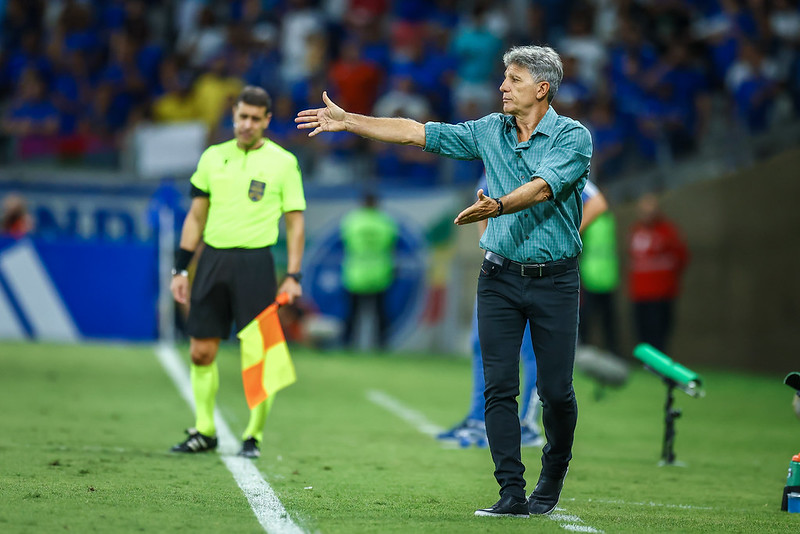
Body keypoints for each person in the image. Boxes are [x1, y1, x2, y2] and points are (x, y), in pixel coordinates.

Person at [297, 45, 591, 518]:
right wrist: (351, 120)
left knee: (555, 392)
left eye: (513, 79)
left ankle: (553, 474)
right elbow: (416, 132)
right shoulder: (488, 131)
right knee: (498, 387)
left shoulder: (573, 138)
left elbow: (541, 188)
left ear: (541, 88)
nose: (502, 87)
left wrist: (495, 206)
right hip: (499, 277)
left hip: (556, 281)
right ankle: (511, 492)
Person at [170, 86, 306, 459]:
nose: (246, 125)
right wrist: (180, 269)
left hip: (255, 264)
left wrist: (293, 275)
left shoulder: (283, 163)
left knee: (257, 354)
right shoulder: (212, 158)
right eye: (241, 117)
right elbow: (196, 216)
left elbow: (295, 225)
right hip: (212, 260)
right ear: (233, 117)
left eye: (254, 119)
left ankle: (253, 435)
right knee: (200, 351)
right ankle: (205, 430)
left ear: (266, 120)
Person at [439, 176, 608, 449]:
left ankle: (527, 425)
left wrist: (566, 233)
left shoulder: (543, 162)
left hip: (535, 272)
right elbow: (483, 209)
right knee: (481, 343)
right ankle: (478, 420)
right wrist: (488, 247)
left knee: (532, 353)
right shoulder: (493, 160)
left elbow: (597, 202)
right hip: (499, 272)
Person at [627, 193, 689, 354]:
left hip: (662, 293)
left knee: (660, 332)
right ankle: (646, 362)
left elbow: (681, 257)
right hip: (640, 293)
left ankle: (660, 365)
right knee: (643, 331)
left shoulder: (668, 231)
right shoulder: (635, 231)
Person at [340, 192, 398, 350]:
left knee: (352, 314)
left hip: (355, 274)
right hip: (380, 274)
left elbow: (346, 243)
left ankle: (348, 345)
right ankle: (381, 346)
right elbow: (392, 246)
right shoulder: (385, 222)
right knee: (380, 315)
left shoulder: (352, 221)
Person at [578, 180, 620, 356]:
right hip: (594, 275)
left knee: (606, 320)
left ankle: (610, 352)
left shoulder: (605, 220)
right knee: (591, 318)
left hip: (602, 276)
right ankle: (585, 350)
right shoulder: (608, 220)